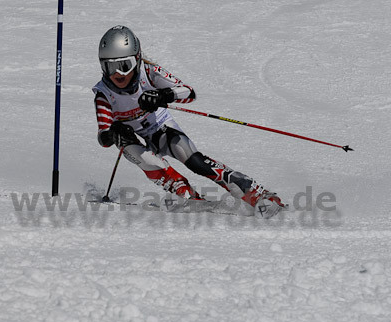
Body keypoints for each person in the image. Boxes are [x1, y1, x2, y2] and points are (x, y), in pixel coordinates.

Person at [92, 25, 285, 218]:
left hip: (160, 127)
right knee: (138, 152)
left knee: (193, 159)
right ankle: (184, 193)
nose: (119, 74)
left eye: (125, 65)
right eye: (111, 67)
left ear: (137, 59)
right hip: (132, 138)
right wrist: (113, 133)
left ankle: (257, 194)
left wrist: (162, 95)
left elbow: (188, 93)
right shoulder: (104, 94)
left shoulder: (148, 72)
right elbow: (103, 137)